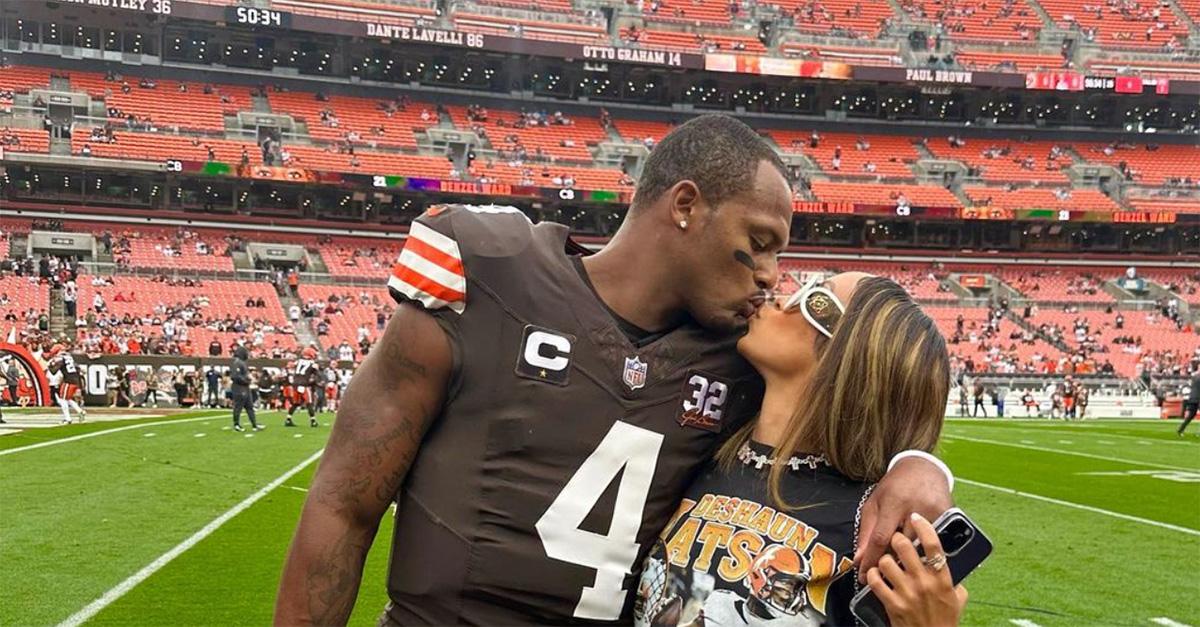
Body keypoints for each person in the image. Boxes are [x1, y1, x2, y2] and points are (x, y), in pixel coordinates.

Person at [275, 115, 953, 625]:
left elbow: (855, 404)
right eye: (759, 244)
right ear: (685, 206)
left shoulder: (739, 365)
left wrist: (919, 465)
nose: (772, 278)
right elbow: (344, 500)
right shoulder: (490, 274)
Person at [633, 273, 965, 627]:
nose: (779, 298)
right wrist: (924, 466)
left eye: (814, 297)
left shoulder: (875, 524)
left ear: (854, 352)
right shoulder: (703, 441)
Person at [284, 348, 320, 428]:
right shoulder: (312, 363)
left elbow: (291, 366)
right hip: (304, 384)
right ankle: (313, 421)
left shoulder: (298, 361)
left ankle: (288, 419)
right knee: (309, 403)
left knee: (296, 403)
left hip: (295, 384)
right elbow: (316, 373)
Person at [229, 346, 261, 432]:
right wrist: (246, 381)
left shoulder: (241, 362)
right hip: (239, 387)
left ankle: (254, 424)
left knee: (249, 407)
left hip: (244, 387)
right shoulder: (237, 363)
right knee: (238, 407)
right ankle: (236, 424)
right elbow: (235, 376)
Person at [1177, 369, 1199, 436]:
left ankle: (1181, 429)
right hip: (1198, 398)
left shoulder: (1195, 377)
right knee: (1191, 415)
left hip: (1192, 397)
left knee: (1190, 416)